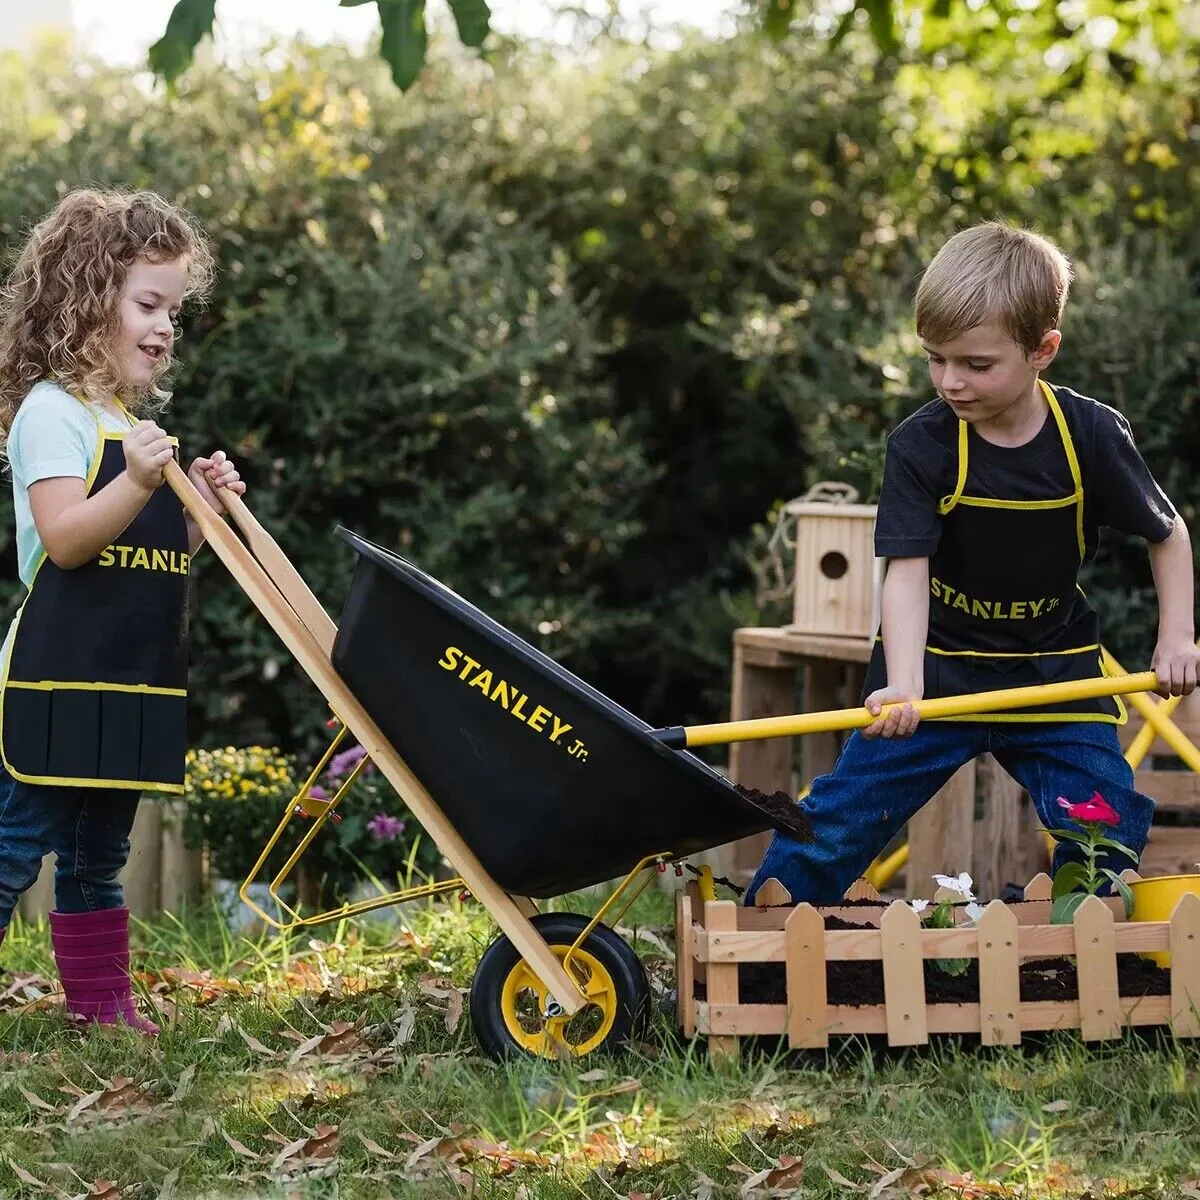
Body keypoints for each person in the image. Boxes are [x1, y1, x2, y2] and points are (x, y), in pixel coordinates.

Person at [749, 221, 1199, 906]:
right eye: (936, 359)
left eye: (975, 364)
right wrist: (902, 685)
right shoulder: (921, 446)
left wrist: (1176, 639)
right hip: (936, 670)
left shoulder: (1092, 437)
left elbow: (1168, 534)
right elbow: (904, 570)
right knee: (839, 818)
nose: (950, 381)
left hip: (1054, 674)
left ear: (1042, 350)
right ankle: (757, 938)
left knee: (1104, 819)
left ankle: (1084, 940)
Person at [0, 189, 246, 1033]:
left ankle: (102, 1010)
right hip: (54, 678)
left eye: (173, 310)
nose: (166, 326)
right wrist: (141, 480)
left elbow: (152, 557)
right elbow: (68, 540)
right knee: (12, 848)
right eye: (149, 303)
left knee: (99, 856)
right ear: (86, 298)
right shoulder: (51, 415)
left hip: (125, 680)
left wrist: (198, 515)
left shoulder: (122, 423)